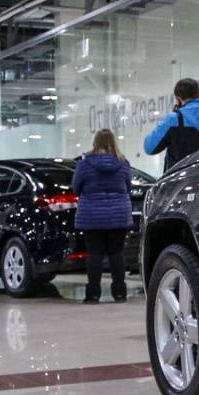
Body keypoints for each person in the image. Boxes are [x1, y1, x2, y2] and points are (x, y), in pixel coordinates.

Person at [71, 129, 132, 304]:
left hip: (92, 215)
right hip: (118, 214)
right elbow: (127, 187)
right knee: (117, 253)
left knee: (94, 253)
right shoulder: (123, 163)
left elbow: (75, 188)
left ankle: (93, 295)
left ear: (95, 143)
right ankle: (120, 294)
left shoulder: (84, 164)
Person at [144, 77, 199, 172]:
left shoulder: (174, 119)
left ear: (178, 98)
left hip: (181, 178)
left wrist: (173, 116)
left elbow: (149, 147)